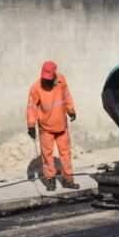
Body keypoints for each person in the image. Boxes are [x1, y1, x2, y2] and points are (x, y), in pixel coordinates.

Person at [27, 61, 79, 191]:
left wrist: (71, 110)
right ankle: (50, 181)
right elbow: (31, 107)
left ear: (54, 75)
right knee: (47, 156)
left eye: (48, 79)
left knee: (65, 154)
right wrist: (31, 125)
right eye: (44, 78)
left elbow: (67, 95)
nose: (46, 81)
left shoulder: (61, 80)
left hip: (62, 126)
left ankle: (68, 180)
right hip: (46, 129)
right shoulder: (36, 87)